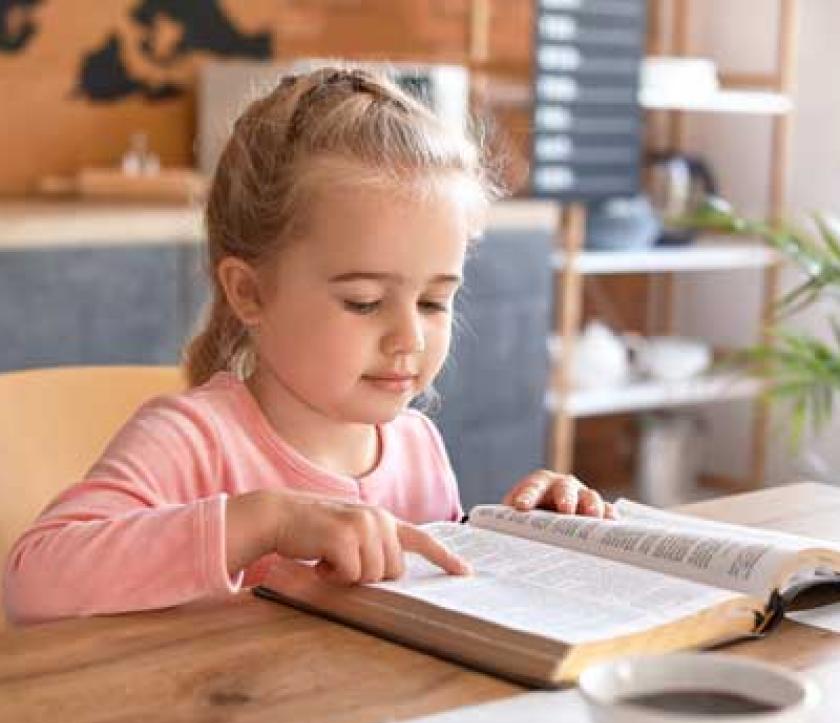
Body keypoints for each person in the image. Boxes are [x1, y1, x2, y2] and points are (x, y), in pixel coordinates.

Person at [4, 66, 612, 625]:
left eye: (433, 302)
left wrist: (519, 534)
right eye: (365, 302)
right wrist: (266, 521)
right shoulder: (193, 440)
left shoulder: (416, 445)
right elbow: (32, 583)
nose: (408, 337)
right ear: (249, 293)